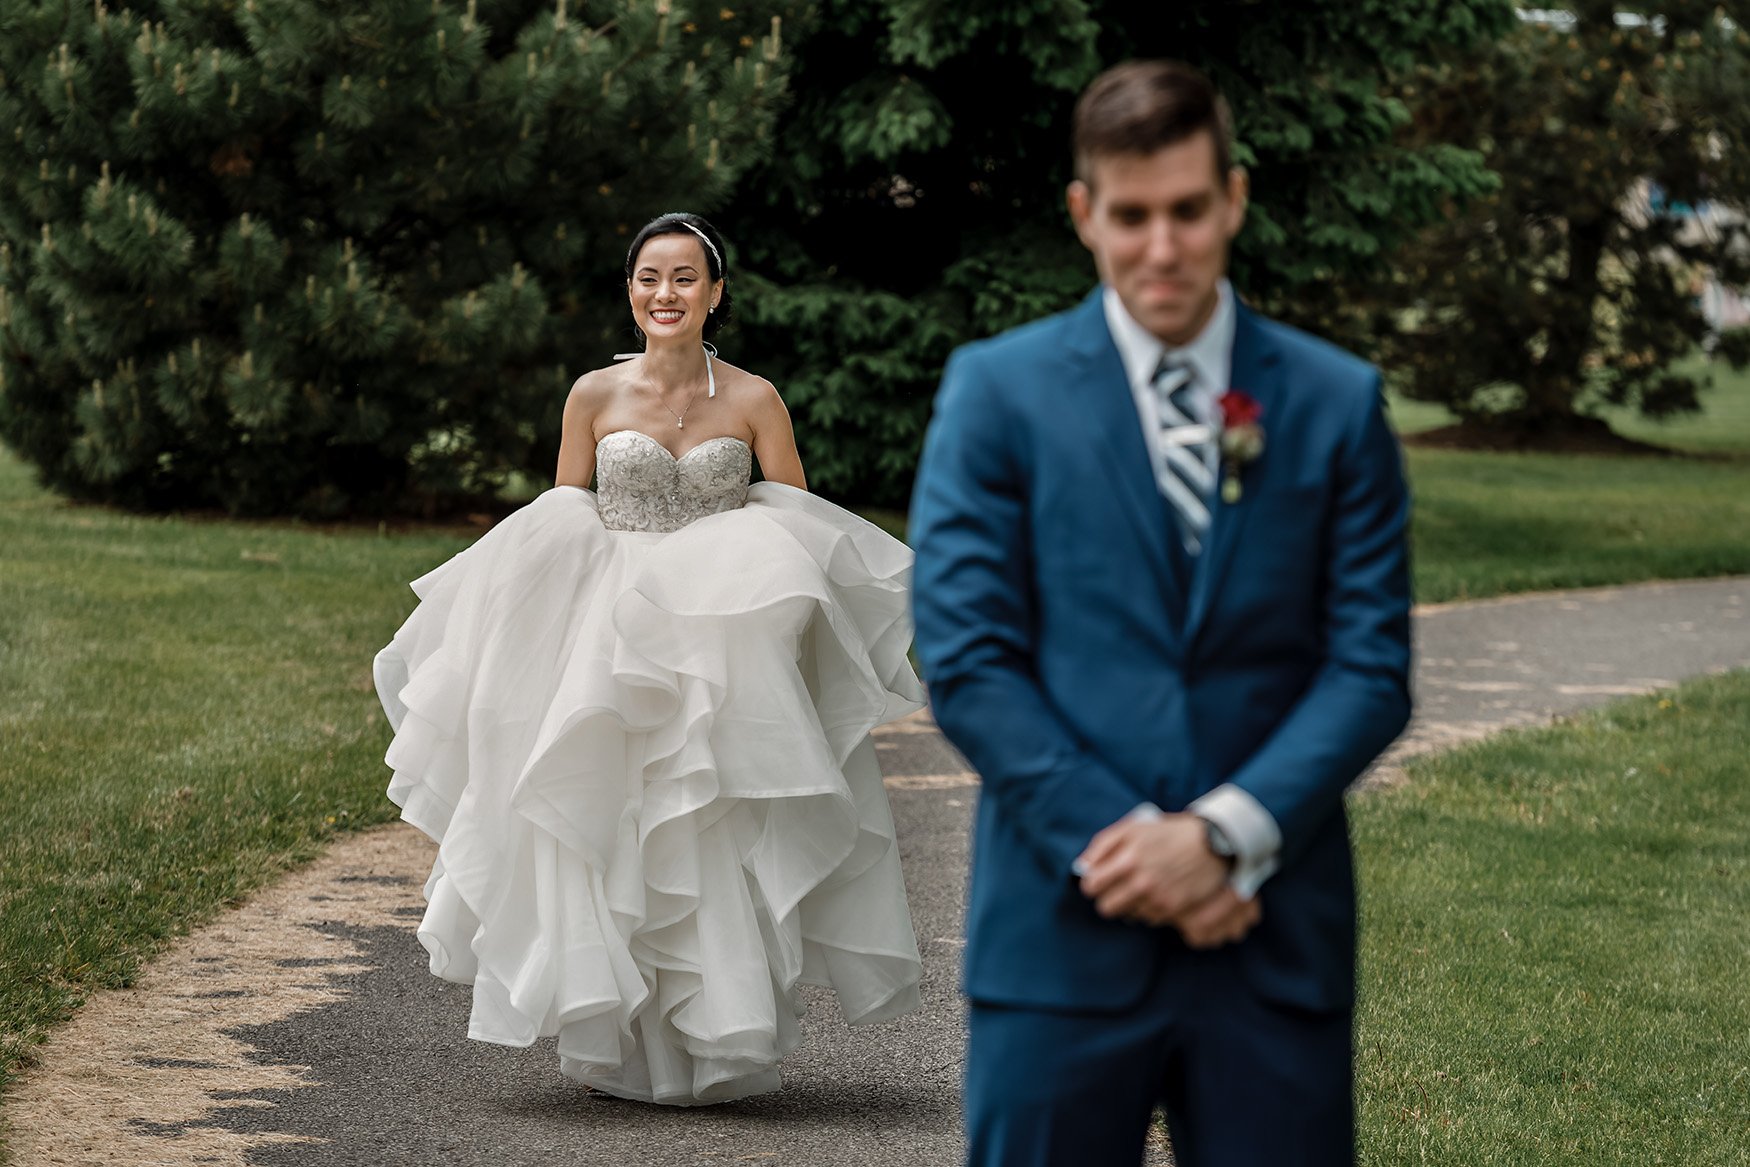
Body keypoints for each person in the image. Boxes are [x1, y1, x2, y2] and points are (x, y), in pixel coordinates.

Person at [908, 61, 1413, 1166]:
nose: (1163, 248)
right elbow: (968, 656)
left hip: (1272, 939)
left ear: (1233, 197)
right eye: (1131, 217)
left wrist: (1225, 840)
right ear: (1085, 214)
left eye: (1188, 210)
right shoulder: (998, 393)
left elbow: (1369, 665)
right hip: (1058, 939)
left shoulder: (1333, 403)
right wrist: (1130, 846)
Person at [374, 212, 925, 1106]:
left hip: (720, 631)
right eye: (647, 278)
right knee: (615, 812)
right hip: (614, 623)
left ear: (715, 293)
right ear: (630, 292)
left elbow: (794, 521)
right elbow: (563, 514)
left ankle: (719, 1038)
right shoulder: (593, 394)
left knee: (708, 816)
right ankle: (620, 1040)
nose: (663, 294)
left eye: (683, 278)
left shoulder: (754, 399)